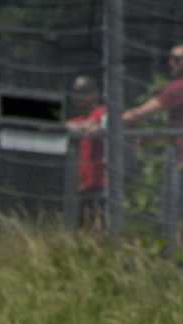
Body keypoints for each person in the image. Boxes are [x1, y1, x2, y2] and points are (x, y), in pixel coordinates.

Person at [120, 43, 183, 229]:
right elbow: (182, 131)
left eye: (177, 60)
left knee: (179, 225)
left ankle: (180, 255)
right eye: (170, 59)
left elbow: (140, 113)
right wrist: (151, 140)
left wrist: (105, 122)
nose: (171, 64)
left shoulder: (182, 87)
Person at [63, 75, 107, 231]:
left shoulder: (102, 112)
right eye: (75, 92)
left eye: (83, 92)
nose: (78, 97)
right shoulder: (78, 119)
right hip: (81, 185)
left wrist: (79, 127)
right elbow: (66, 126)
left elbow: (98, 126)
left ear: (95, 94)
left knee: (100, 228)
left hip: (101, 184)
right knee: (82, 230)